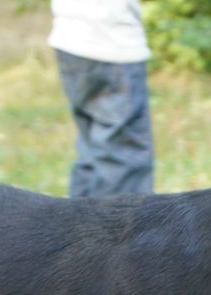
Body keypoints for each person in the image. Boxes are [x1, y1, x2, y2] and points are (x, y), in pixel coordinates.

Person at [49, 0, 155, 197]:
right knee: (123, 157)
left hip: (70, 36)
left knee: (92, 153)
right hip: (112, 42)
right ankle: (115, 228)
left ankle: (75, 227)